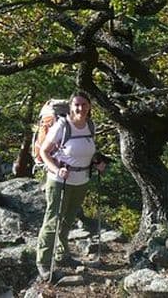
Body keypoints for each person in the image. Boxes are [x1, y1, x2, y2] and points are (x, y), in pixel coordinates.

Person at [35, 91, 106, 280]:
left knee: (67, 220)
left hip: (81, 180)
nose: (80, 108)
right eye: (76, 105)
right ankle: (43, 263)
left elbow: (88, 150)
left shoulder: (91, 125)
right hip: (60, 181)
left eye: (84, 104)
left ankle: (62, 255)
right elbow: (44, 151)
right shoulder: (62, 126)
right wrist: (57, 169)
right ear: (70, 107)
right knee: (53, 221)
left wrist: (96, 162)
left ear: (89, 106)